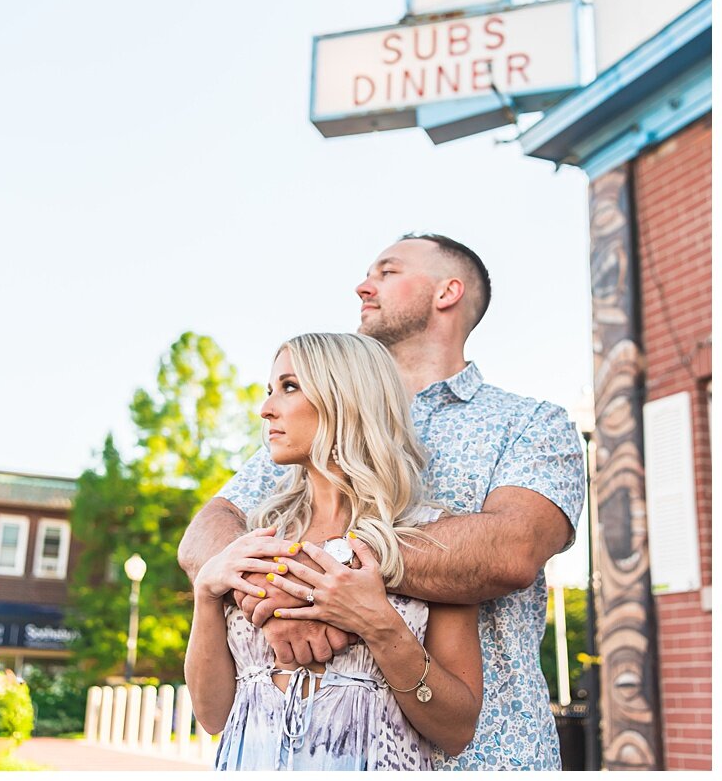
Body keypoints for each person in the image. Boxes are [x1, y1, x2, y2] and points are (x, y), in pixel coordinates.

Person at [179, 234, 586, 770]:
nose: (362, 286)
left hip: (488, 754)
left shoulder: (530, 424)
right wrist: (278, 596)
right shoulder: (312, 429)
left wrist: (323, 583)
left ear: (448, 291)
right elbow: (208, 534)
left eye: (387, 271)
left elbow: (508, 552)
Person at [186, 332, 483, 769]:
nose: (266, 409)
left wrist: (379, 626)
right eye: (270, 391)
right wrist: (205, 594)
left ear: (346, 398)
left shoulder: (432, 539)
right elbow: (212, 716)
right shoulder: (255, 539)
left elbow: (457, 731)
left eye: (289, 387)